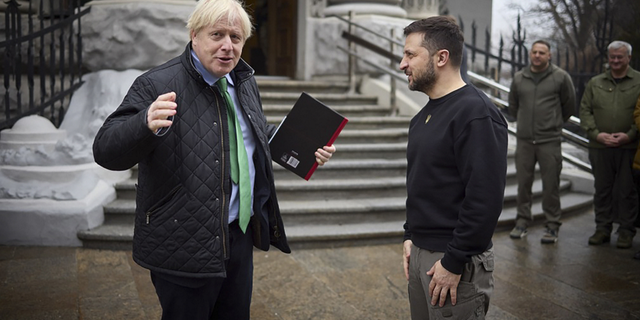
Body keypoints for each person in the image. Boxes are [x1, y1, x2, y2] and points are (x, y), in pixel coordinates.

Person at [92, 1, 335, 319]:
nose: (227, 46)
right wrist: (144, 124)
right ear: (194, 36)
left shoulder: (243, 81)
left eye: (235, 37)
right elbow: (105, 151)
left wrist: (306, 148)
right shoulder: (156, 84)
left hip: (239, 237)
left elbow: (251, 132)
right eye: (216, 34)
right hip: (184, 242)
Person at [399, 16, 508, 319]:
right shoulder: (421, 118)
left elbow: (484, 199)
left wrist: (453, 261)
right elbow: (422, 184)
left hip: (455, 262)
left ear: (441, 57)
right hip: (421, 254)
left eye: (410, 54)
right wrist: (410, 236)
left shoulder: (477, 114)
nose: (401, 63)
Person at [508, 40, 576, 243]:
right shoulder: (520, 78)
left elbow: (569, 106)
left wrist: (551, 125)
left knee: (551, 185)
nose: (537, 55)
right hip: (525, 142)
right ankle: (522, 222)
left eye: (542, 52)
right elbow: (513, 107)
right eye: (534, 52)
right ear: (530, 54)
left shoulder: (561, 77)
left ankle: (552, 225)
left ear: (549, 56)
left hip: (549, 141)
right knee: (523, 185)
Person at [580, 40, 639, 249]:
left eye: (619, 57)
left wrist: (630, 135)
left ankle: (625, 231)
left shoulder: (638, 81)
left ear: (628, 58)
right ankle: (602, 228)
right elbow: (584, 111)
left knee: (627, 191)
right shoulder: (595, 83)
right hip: (600, 147)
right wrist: (597, 134)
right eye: (612, 57)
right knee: (602, 189)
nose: (615, 60)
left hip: (628, 148)